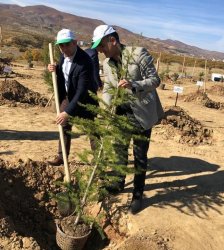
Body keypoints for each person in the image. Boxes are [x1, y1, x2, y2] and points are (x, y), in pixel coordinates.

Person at [91, 24, 164, 214]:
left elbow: (155, 80)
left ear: (112, 41)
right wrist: (105, 111)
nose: (100, 51)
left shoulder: (138, 54)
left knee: (140, 155)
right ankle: (117, 183)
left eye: (101, 46)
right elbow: (108, 88)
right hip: (121, 113)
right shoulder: (107, 64)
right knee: (119, 149)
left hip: (142, 113)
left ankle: (138, 194)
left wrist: (134, 84)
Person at [47, 28, 98, 166]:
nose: (64, 48)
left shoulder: (85, 62)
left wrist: (67, 112)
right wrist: (55, 69)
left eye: (67, 44)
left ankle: (98, 161)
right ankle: (62, 156)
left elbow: (82, 91)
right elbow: (66, 73)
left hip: (87, 99)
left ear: (75, 43)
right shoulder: (63, 55)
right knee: (63, 124)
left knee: (92, 129)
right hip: (69, 95)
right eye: (61, 45)